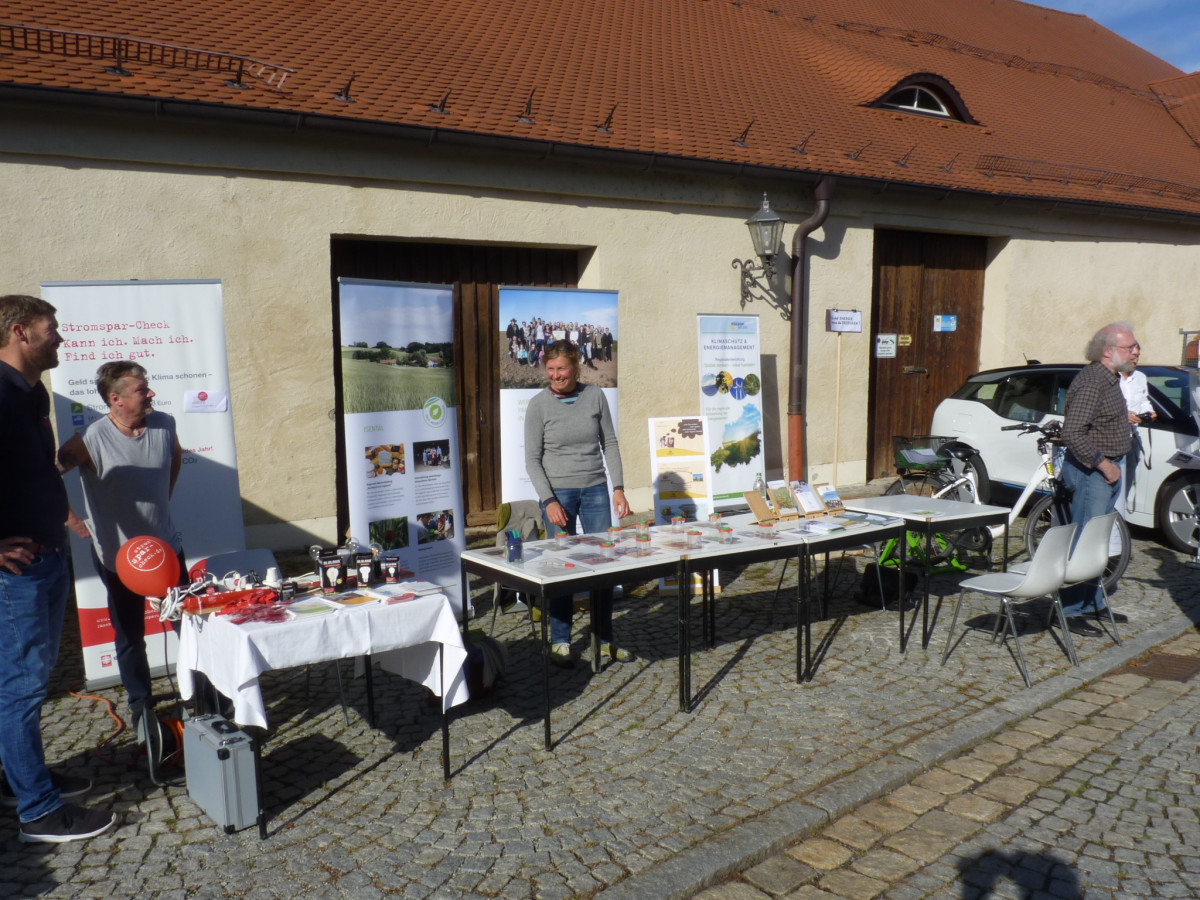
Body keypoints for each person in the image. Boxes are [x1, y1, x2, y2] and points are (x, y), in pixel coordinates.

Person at [0, 294, 117, 843]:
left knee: (24, 681)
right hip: (16, 573)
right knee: (21, 688)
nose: (61, 340)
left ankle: (17, 777)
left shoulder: (30, 392)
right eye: (53, 331)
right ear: (20, 332)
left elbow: (29, 471)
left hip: (46, 553)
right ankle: (39, 812)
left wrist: (62, 508)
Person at [57, 361, 185, 729]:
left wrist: (164, 497)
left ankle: (201, 689)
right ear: (116, 399)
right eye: (142, 390)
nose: (151, 394)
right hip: (121, 559)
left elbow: (174, 457)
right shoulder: (91, 439)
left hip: (166, 549)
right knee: (130, 635)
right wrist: (70, 519)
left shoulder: (164, 423)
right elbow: (47, 475)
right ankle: (140, 706)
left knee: (186, 623)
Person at [524, 340, 632, 665]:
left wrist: (619, 488)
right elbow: (532, 460)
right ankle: (560, 641)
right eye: (551, 369)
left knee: (603, 565)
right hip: (558, 495)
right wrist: (549, 500)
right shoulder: (538, 405)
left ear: (575, 368)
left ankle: (604, 639)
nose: (556, 375)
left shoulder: (595, 396)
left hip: (595, 488)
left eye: (562, 369)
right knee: (561, 568)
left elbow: (609, 443)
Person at [1058, 322, 1138, 635]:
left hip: (1106, 471)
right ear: (1107, 351)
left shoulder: (1110, 378)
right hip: (1092, 473)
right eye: (1128, 347)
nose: (1134, 352)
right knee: (1083, 542)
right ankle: (1070, 609)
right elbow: (1073, 432)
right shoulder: (1093, 381)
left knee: (1098, 542)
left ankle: (1092, 602)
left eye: (1134, 346)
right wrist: (1104, 465)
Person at [1119, 359, 1155, 514]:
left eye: (1137, 356)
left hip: (1132, 435)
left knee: (1127, 479)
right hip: (1112, 437)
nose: (1135, 360)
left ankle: (1118, 516)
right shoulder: (1111, 376)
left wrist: (1149, 412)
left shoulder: (1140, 377)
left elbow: (1144, 401)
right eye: (1131, 356)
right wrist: (1123, 415)